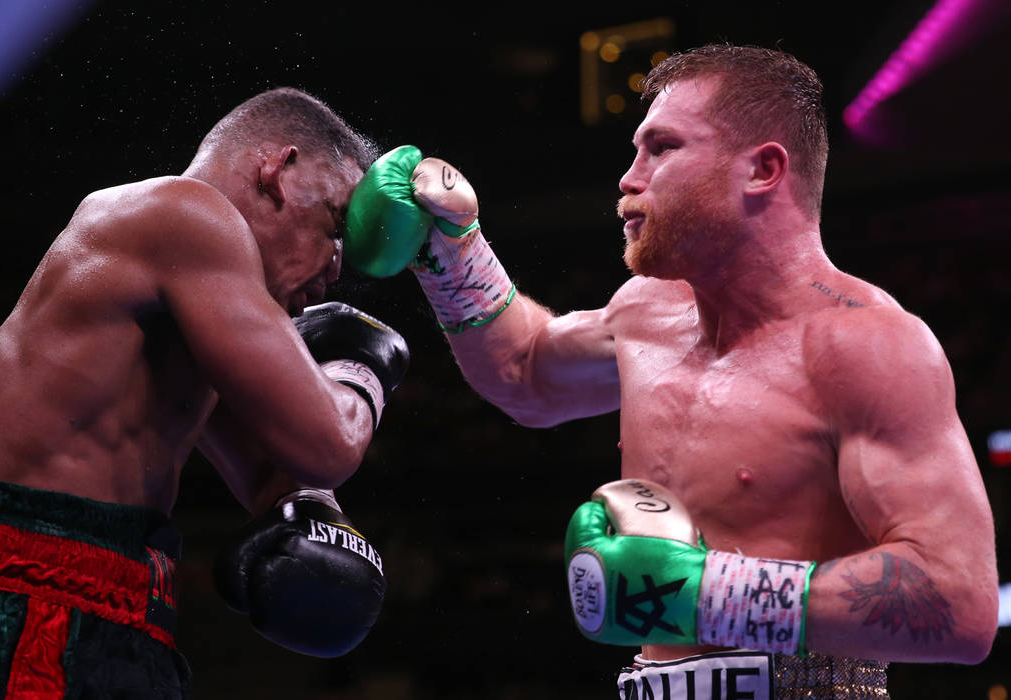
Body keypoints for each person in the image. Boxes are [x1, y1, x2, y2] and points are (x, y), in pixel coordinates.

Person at [342, 44, 999, 699]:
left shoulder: (866, 345)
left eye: (661, 149)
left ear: (763, 169)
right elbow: (526, 372)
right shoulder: (647, 313)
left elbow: (960, 602)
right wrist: (451, 248)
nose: (629, 178)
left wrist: (705, 595)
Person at [0, 87, 409, 698]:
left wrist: (318, 525)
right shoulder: (183, 213)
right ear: (278, 170)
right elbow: (328, 445)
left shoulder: (194, 308)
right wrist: (366, 367)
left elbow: (274, 475)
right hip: (17, 583)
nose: (336, 267)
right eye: (334, 224)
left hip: (126, 601)